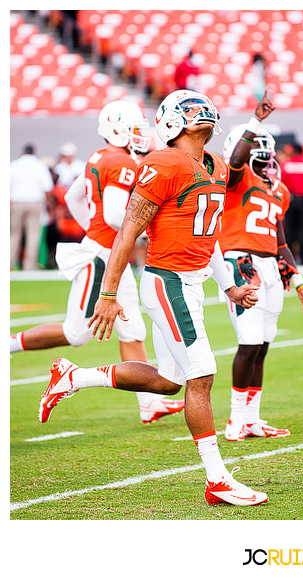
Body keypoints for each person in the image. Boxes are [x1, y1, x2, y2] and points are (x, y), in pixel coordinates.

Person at [38, 89, 276, 506]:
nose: (198, 112)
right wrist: (108, 293)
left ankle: (74, 377)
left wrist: (229, 287)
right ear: (171, 122)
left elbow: (211, 235)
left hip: (192, 283)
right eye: (188, 109)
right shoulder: (161, 162)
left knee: (171, 382)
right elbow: (127, 231)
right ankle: (217, 479)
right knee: (202, 373)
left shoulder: (216, 164)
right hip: (168, 281)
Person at [10, 100, 185, 424]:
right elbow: (116, 215)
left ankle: (148, 403)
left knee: (132, 329)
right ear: (117, 129)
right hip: (103, 258)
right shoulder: (120, 161)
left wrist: (93, 229)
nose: (139, 134)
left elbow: (76, 197)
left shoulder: (100, 156)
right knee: (77, 334)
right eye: (134, 128)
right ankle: (8, 345)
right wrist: (147, 230)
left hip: (108, 253)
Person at [218, 120, 303, 442]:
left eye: (268, 158)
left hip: (271, 268)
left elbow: (282, 244)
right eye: (259, 158)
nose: (266, 164)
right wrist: (253, 125)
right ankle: (235, 418)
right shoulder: (234, 178)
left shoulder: (281, 191)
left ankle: (252, 419)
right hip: (240, 263)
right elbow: (235, 163)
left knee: (261, 347)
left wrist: (300, 283)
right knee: (247, 344)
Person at [9, 144, 54, 270]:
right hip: (35, 201)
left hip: (17, 201)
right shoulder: (39, 166)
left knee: (14, 233)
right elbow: (47, 188)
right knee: (33, 234)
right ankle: (30, 265)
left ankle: (10, 263)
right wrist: (49, 205)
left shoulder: (14, 165)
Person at [280, 142, 303, 264]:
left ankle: (288, 258)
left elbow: (281, 185)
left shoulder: (286, 165)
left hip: (291, 200)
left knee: (289, 229)